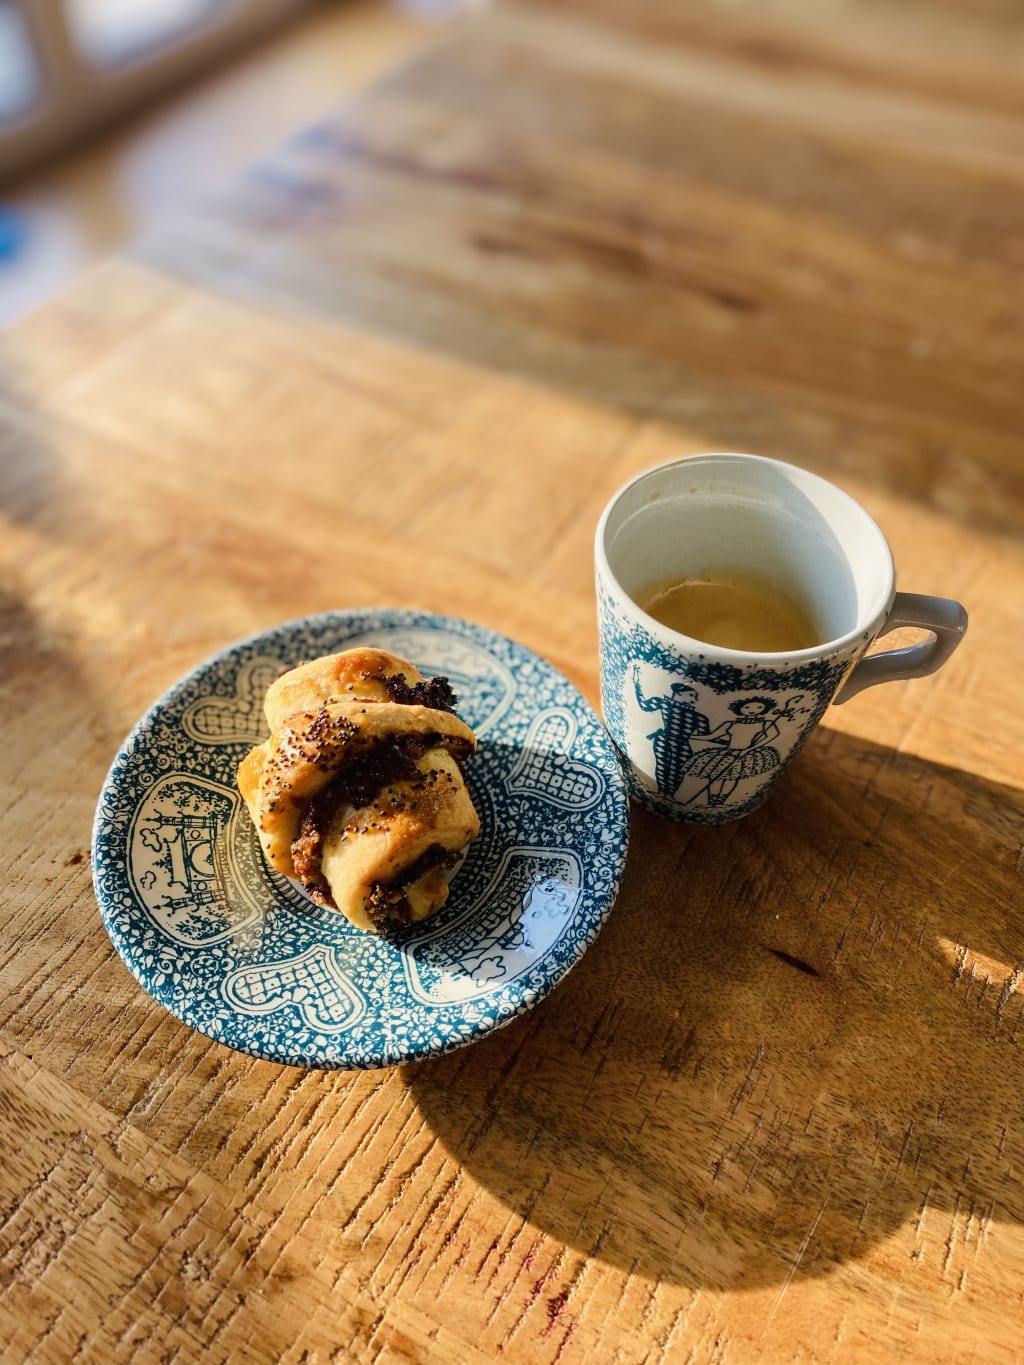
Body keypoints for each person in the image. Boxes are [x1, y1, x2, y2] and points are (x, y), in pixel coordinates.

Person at [682, 696, 787, 807]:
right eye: (747, 707)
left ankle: (720, 801)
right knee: (716, 777)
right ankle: (712, 801)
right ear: (740, 709)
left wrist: (750, 749)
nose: (753, 709)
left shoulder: (766, 724)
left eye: (759, 707)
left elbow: (772, 735)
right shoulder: (730, 724)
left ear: (765, 709)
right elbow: (711, 736)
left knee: (731, 778)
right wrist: (690, 736)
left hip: (747, 753)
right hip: (728, 753)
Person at [632, 665, 710, 797]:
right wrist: (636, 684)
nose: (694, 699)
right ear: (679, 692)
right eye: (691, 695)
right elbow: (644, 705)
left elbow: (704, 734)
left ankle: (670, 795)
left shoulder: (698, 717)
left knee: (677, 770)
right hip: (664, 740)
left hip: (682, 745)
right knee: (663, 766)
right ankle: (661, 792)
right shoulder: (665, 704)